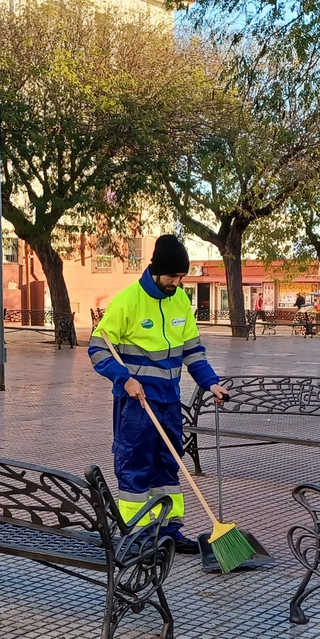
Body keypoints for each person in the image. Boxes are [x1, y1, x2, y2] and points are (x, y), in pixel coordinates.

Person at [90, 235, 228, 554]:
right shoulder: (128, 302)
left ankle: (168, 530)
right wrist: (124, 379)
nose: (178, 283)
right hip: (136, 405)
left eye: (182, 277)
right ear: (155, 270)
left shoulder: (180, 300)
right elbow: (98, 349)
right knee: (135, 465)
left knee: (167, 466)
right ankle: (137, 533)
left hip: (168, 402)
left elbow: (193, 350)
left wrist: (210, 382)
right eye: (173, 277)